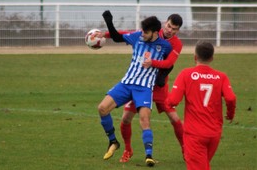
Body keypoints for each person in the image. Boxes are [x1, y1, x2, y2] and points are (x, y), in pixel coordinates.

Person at [97, 10, 172, 167]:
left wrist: (160, 79)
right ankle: (113, 141)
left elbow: (169, 65)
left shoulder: (165, 46)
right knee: (102, 108)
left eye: (146, 31)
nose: (142, 33)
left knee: (144, 120)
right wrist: (109, 22)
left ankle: (148, 156)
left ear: (154, 32)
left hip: (144, 88)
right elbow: (117, 37)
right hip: (126, 83)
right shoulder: (137, 36)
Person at [118, 14, 184, 163]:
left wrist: (151, 63)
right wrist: (105, 34)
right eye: (168, 26)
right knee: (126, 118)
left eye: (174, 29)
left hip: (158, 88)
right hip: (140, 85)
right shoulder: (152, 31)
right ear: (164, 24)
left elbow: (168, 64)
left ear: (178, 30)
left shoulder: (177, 44)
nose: (170, 31)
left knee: (174, 118)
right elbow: (126, 34)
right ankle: (128, 149)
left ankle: (185, 149)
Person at [165, 41, 236, 170]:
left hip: (194, 134)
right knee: (203, 165)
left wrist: (168, 103)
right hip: (214, 133)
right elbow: (231, 98)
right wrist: (230, 114)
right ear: (212, 58)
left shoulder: (186, 74)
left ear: (195, 57)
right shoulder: (221, 77)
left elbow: (174, 100)